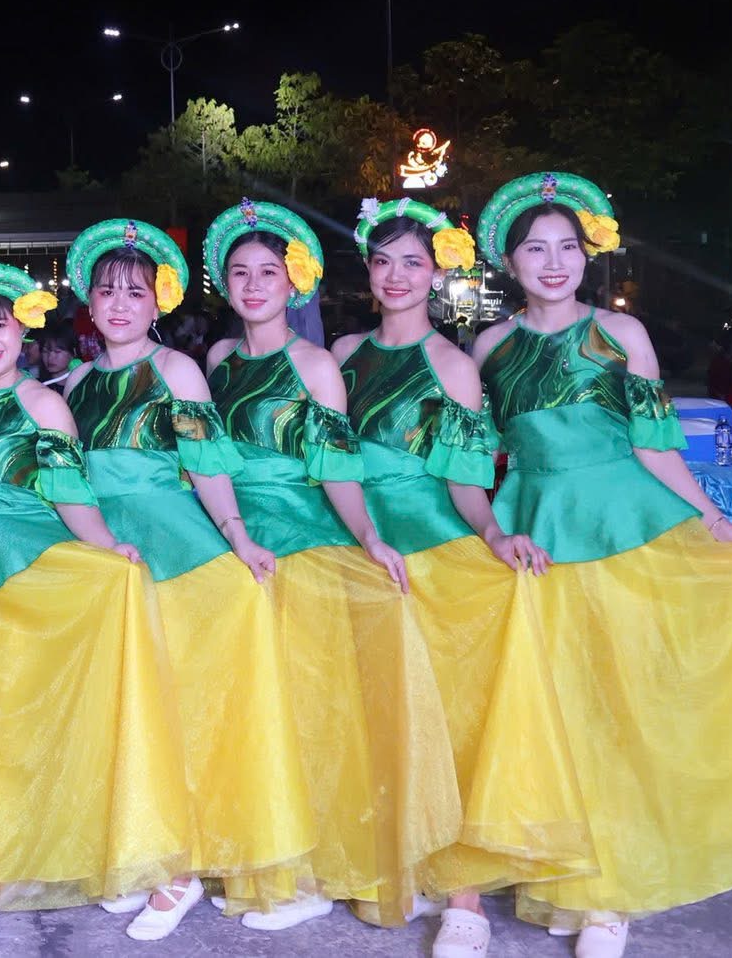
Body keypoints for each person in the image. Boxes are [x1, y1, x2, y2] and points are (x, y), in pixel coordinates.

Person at [470, 172, 732, 957]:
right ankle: (567, 869)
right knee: (554, 708)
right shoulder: (487, 347)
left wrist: (715, 523)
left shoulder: (623, 333)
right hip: (533, 530)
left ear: (587, 255)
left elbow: (656, 446)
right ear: (509, 262)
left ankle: (611, 894)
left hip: (626, 524)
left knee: (625, 703)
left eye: (567, 247)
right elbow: (477, 453)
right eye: (535, 250)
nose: (553, 263)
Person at [336, 198, 592, 957]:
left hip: (431, 542)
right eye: (383, 261)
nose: (396, 275)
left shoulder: (453, 365)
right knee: (370, 710)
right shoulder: (341, 353)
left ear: (437, 272)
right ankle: (393, 855)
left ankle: (466, 896)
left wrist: (492, 534)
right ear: (367, 270)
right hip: (353, 539)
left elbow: (466, 482)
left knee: (448, 714)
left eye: (413, 262)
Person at [200, 199, 461, 932]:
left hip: (303, 536)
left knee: (309, 709)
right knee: (249, 704)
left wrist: (369, 537)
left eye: (270, 273)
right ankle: (267, 851)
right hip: (234, 532)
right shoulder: (216, 361)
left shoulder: (318, 364)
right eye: (241, 273)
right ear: (224, 283)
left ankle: (312, 872)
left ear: (296, 283)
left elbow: (337, 466)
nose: (255, 286)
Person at [0, 263, 191, 948]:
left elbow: (70, 494)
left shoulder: (44, 403)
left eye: (0, 327)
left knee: (25, 726)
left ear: (24, 332)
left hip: (33, 575)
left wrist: (108, 548)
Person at [60, 220, 307, 942]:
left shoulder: (177, 371)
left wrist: (238, 536)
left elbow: (206, 467)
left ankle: (184, 868)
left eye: (134, 292)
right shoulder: (74, 383)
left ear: (158, 301)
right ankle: (150, 852)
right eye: (107, 292)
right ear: (88, 302)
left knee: (184, 708)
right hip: (107, 552)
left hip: (175, 545)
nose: (119, 304)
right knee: (128, 707)